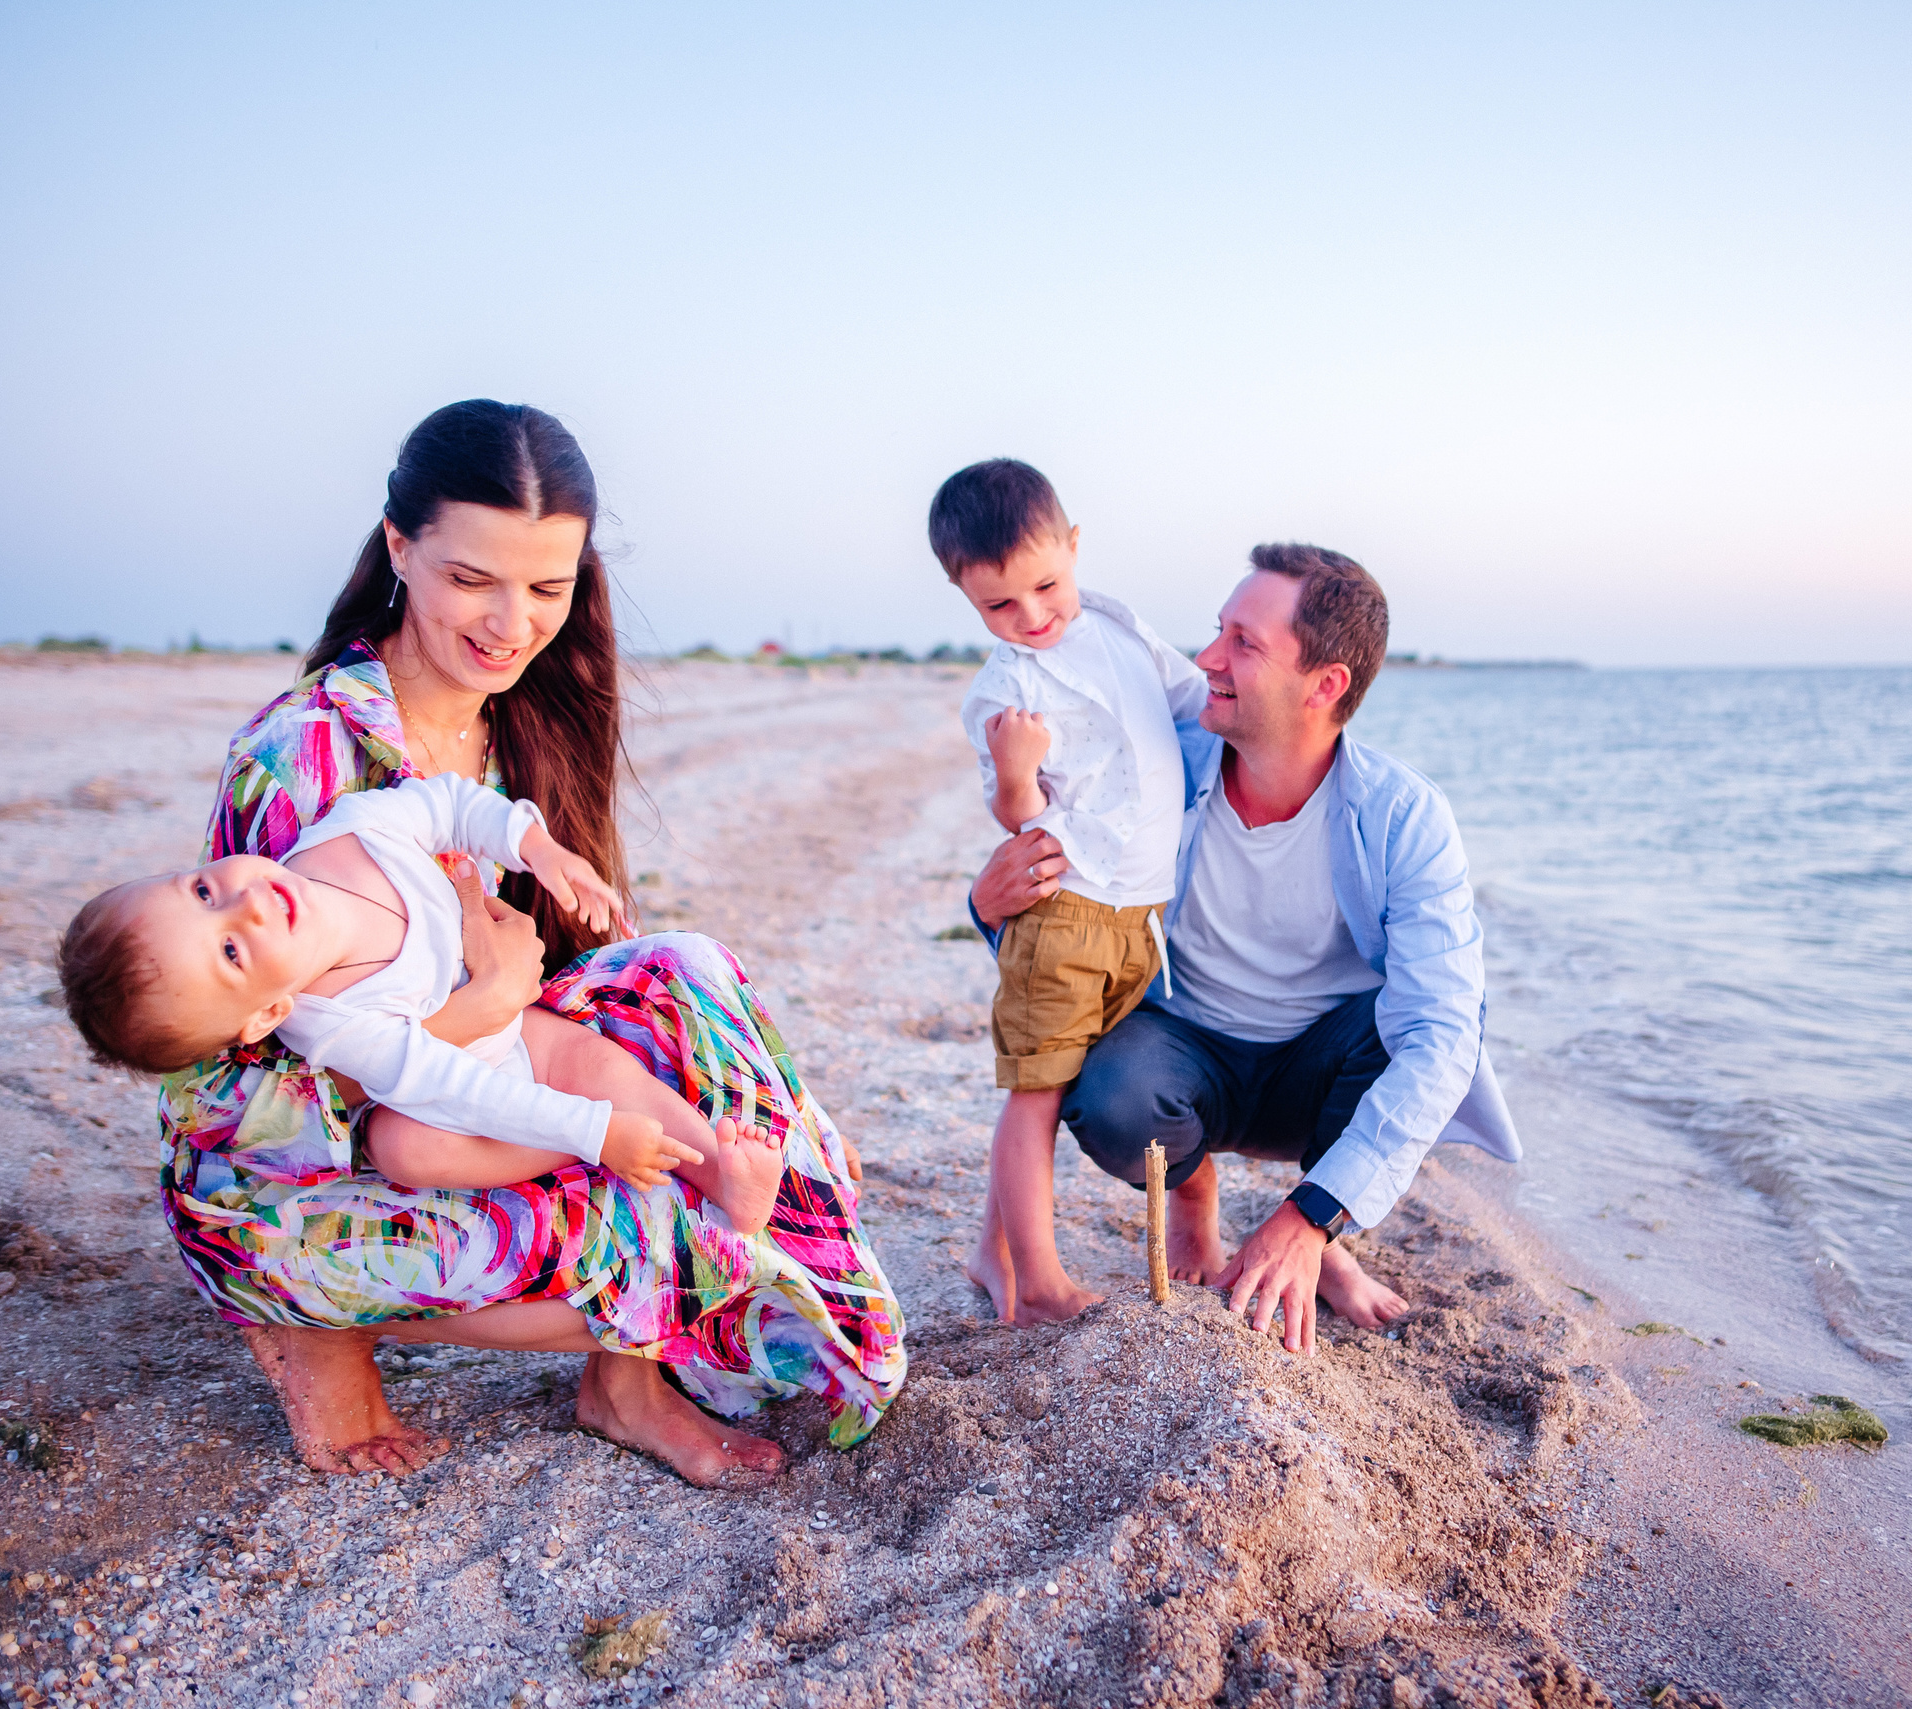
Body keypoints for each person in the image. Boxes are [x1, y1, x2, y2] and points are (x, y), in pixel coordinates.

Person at [159, 399, 902, 1486]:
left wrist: (592, 1039)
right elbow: (245, 1091)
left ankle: (623, 1378)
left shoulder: (528, 716)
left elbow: (581, 973)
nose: (511, 622)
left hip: (481, 1082)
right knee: (668, 1234)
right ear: (400, 547)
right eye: (473, 580)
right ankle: (315, 1330)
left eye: (546, 588)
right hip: (302, 1164)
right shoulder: (308, 756)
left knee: (690, 1023)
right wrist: (482, 1003)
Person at [968, 544, 1519, 1354]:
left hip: (1318, 1071)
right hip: (1187, 1051)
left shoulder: (1406, 817)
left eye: (1243, 643)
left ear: (1325, 685)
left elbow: (1443, 1038)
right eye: (1217, 631)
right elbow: (1063, 945)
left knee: (1426, 1033)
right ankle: (1195, 1193)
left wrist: (1309, 1217)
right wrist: (987, 905)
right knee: (1107, 1094)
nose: (1207, 659)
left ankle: (1318, 1239)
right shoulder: (1162, 765)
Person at [58, 770, 787, 1234]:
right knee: (414, 1145)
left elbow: (446, 803)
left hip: (519, 1028)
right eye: (230, 951)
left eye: (203, 890)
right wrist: (593, 1131)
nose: (245, 905)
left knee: (595, 1061)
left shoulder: (340, 836)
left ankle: (724, 1175)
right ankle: (606, 1155)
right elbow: (459, 1090)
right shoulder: (337, 1021)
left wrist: (534, 846)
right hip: (473, 1093)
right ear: (263, 1016)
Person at [930, 459, 1205, 1325]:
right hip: (1066, 909)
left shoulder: (1121, 626)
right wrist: (1015, 773)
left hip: (1140, 914)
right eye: (998, 605)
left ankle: (992, 1250)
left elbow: (1196, 702)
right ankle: (1038, 1282)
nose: (1033, 616)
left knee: (1065, 1074)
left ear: (1074, 548)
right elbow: (1016, 815)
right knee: (1036, 1092)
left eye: (1047, 585)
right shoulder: (1005, 685)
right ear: (965, 596)